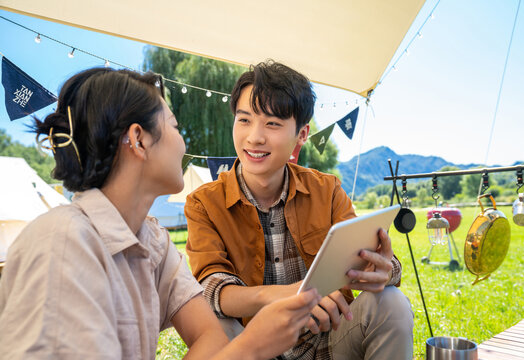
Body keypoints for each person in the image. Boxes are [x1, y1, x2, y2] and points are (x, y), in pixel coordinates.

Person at [0, 67, 321, 360]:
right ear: (139, 140)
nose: (182, 143)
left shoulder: (153, 241)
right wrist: (251, 346)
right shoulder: (63, 242)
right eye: (174, 126)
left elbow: (210, 335)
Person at [185, 61, 414, 360]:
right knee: (217, 323)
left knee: (390, 302)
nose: (254, 137)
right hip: (254, 347)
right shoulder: (204, 202)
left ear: (302, 134)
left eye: (272, 124)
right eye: (244, 120)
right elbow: (213, 288)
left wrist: (386, 270)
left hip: (330, 343)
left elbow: (375, 257)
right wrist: (293, 295)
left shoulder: (327, 190)